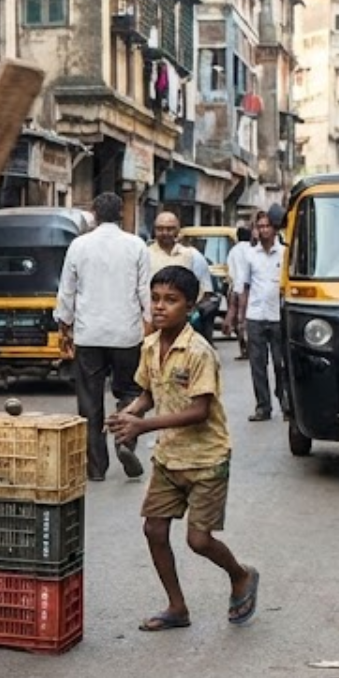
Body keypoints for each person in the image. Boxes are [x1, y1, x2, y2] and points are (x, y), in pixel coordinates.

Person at [109, 265, 260, 631]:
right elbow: (149, 393)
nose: (160, 307)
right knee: (154, 531)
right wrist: (127, 414)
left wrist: (142, 426)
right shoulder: (148, 346)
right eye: (156, 299)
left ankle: (240, 575)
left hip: (207, 459)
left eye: (171, 301)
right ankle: (177, 607)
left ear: (190, 307)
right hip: (168, 457)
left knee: (199, 540)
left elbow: (200, 410)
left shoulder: (198, 351)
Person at [55, 192, 151, 482]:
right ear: (121, 213)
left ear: (94, 213)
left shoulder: (79, 245)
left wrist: (64, 327)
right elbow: (144, 290)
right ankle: (125, 441)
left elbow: (67, 290)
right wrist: (149, 328)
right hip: (127, 334)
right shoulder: (136, 245)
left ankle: (96, 468)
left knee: (89, 400)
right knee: (130, 392)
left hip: (89, 335)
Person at [227, 208, 286, 421]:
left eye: (267, 226)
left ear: (274, 228)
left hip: (279, 317)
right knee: (257, 365)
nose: (263, 230)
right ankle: (263, 407)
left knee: (281, 363)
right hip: (256, 316)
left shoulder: (285, 253)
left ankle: (285, 402)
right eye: (260, 226)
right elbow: (243, 286)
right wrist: (240, 317)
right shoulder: (250, 255)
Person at [145, 212, 217, 343]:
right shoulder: (144, 255)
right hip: (151, 326)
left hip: (184, 327)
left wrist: (190, 315)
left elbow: (205, 291)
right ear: (154, 231)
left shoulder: (192, 256)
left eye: (169, 229)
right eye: (160, 228)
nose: (165, 232)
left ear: (177, 231)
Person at [227, 225, 254, 359]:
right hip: (251, 289)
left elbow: (230, 271)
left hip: (237, 289)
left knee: (239, 318)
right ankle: (250, 347)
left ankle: (243, 348)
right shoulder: (253, 250)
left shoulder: (234, 251)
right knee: (249, 319)